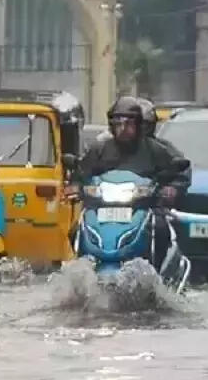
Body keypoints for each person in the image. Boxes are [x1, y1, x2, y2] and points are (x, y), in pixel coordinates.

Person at [73, 96, 191, 268]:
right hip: (102, 207)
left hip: (144, 206)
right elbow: (82, 172)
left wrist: (172, 188)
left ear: (138, 125)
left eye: (128, 124)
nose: (123, 128)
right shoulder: (99, 149)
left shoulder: (154, 149)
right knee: (75, 229)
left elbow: (180, 170)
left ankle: (156, 271)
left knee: (160, 229)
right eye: (118, 123)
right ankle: (82, 269)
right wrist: (75, 186)